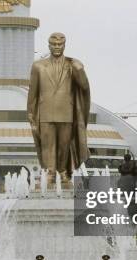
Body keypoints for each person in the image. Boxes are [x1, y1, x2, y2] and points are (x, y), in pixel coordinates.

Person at [27, 33, 90, 184]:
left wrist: (80, 70)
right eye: (53, 45)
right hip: (45, 113)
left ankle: (63, 171)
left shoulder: (72, 65)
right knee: (48, 146)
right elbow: (32, 92)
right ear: (49, 46)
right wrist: (31, 114)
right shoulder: (38, 66)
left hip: (66, 113)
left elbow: (84, 87)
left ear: (64, 46)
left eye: (59, 45)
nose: (56, 47)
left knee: (64, 145)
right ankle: (50, 173)